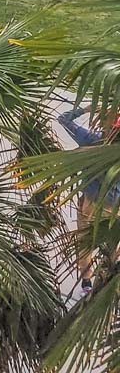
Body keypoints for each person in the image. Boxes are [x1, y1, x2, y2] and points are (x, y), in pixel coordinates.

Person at [57, 104, 120, 293]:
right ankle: (107, 278)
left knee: (86, 241)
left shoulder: (92, 140)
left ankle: (87, 280)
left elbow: (64, 119)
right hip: (112, 205)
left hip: (93, 203)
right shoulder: (93, 141)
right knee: (113, 243)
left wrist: (86, 109)